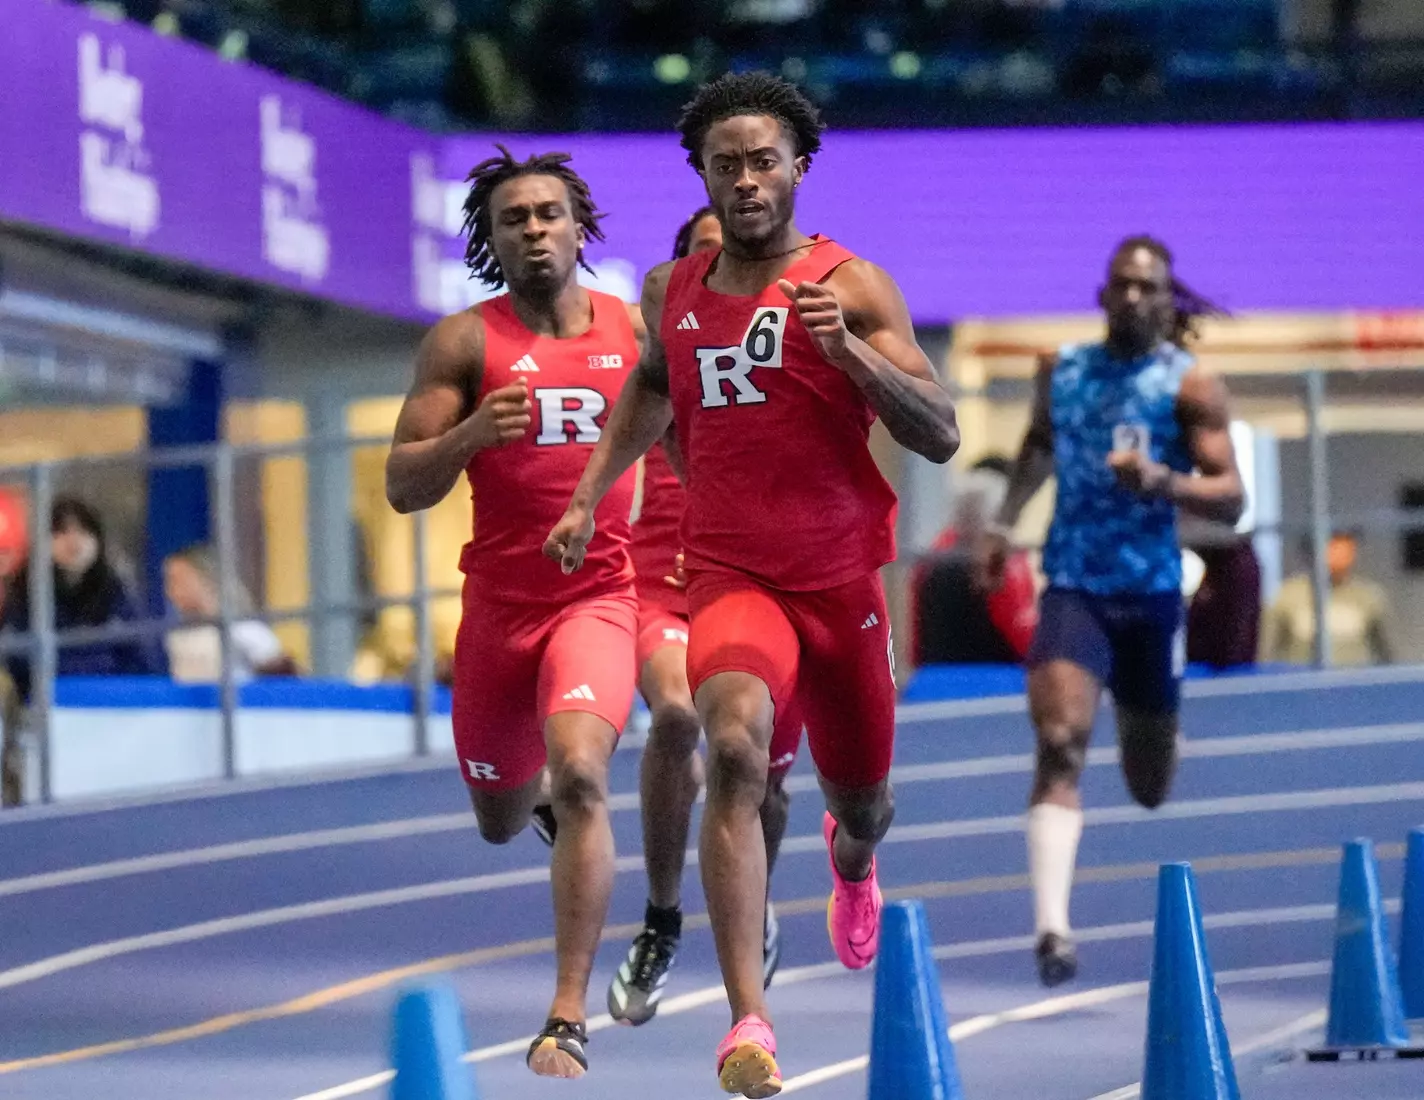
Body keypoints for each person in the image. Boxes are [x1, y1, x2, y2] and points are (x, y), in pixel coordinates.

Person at [546, 72, 959, 1096]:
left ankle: (851, 860)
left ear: (797, 169)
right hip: (733, 573)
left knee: (864, 798)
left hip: (840, 578)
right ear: (701, 175)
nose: (744, 180)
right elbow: (652, 386)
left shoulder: (850, 284)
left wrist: (850, 355)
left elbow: (939, 430)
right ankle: (749, 1021)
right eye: (724, 163)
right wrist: (590, 491)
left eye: (762, 160)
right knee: (731, 745)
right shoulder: (669, 291)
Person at [384, 145, 645, 1079]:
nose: (533, 230)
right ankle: (529, 798)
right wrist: (467, 434)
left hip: (600, 599)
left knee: (582, 772)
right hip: (499, 611)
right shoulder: (463, 343)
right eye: (513, 219)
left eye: (547, 214)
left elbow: (696, 448)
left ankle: (567, 1013)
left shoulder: (634, 330)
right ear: (490, 240)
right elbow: (401, 487)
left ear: (579, 226)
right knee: (501, 815)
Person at [979, 236, 1245, 988]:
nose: (1133, 298)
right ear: (1103, 295)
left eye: (1148, 287)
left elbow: (1232, 497)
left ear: (1168, 299)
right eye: (1122, 285)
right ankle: (1053, 929)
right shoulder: (1060, 371)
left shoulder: (1189, 385)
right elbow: (1036, 446)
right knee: (1060, 742)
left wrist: (1163, 480)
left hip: (1153, 591)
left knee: (1149, 783)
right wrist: (1003, 525)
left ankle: (1158, 717)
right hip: (1075, 584)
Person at [608, 206, 794, 1027]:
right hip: (662, 580)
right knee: (680, 715)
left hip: (761, 580)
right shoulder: (656, 361)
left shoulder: (775, 348)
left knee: (761, 775)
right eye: (703, 257)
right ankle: (661, 914)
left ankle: (754, 896)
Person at [1, 496, 167, 702]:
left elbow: (144, 661)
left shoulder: (117, 592)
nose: (74, 541)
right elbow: (19, 661)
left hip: (114, 707)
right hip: (47, 708)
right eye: (61, 532)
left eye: (84, 531)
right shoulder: (24, 593)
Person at [911, 455, 1037, 666]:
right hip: (996, 681)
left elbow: (916, 640)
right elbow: (1022, 639)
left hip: (934, 678)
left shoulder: (932, 556)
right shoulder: (1002, 561)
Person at [163, 545, 297, 682]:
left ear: (204, 578)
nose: (171, 590)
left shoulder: (244, 629)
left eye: (178, 580)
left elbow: (282, 683)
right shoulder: (179, 633)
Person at [1261, 530, 1391, 667]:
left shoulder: (1368, 596)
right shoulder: (1286, 596)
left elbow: (1387, 652)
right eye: (1334, 548)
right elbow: (1265, 651)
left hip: (1355, 683)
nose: (1342, 555)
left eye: (1348, 549)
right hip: (1303, 683)